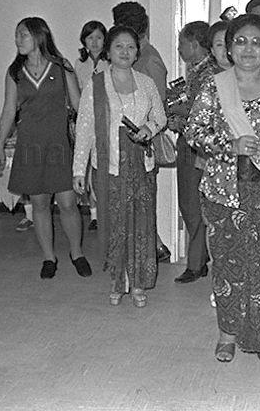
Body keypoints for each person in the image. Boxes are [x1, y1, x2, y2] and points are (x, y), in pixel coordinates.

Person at [185, 13, 260, 364]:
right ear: (228, 47)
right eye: (240, 41)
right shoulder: (213, 86)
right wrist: (230, 144)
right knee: (227, 267)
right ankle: (227, 334)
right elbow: (194, 133)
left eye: (257, 42)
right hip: (224, 194)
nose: (248, 48)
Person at [73, 25, 167, 307]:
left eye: (130, 47)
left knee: (141, 223)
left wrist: (148, 130)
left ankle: (139, 284)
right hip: (110, 165)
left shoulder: (146, 83)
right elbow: (86, 127)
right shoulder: (96, 84)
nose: (125, 52)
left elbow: (160, 117)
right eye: (119, 47)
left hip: (141, 163)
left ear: (137, 51)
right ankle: (117, 281)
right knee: (115, 224)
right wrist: (79, 169)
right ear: (109, 52)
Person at [0, 17, 90, 279]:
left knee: (68, 202)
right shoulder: (14, 73)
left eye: (22, 35)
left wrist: (91, 139)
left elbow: (79, 106)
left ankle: (77, 252)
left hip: (59, 144)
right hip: (30, 145)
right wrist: (0, 146)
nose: (17, 40)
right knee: (39, 203)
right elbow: (9, 111)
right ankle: (49, 257)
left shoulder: (61, 66)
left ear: (39, 36)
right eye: (16, 35)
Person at [112, 1, 172, 262]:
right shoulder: (132, 56)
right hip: (126, 138)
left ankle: (153, 246)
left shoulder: (149, 59)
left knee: (143, 198)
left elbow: (158, 105)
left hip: (143, 138)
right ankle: (145, 246)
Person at [169, 21, 218, 283]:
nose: (178, 48)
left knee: (192, 205)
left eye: (181, 43)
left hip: (196, 147)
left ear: (194, 44)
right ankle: (200, 257)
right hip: (188, 142)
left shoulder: (208, 73)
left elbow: (204, 113)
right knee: (190, 205)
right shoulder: (194, 71)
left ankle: (197, 263)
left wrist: (178, 114)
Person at [74, 20, 109, 231]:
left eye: (98, 37)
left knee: (100, 167)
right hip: (85, 119)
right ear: (84, 41)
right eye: (90, 38)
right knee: (84, 169)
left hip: (105, 120)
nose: (94, 42)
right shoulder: (80, 63)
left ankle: (101, 213)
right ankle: (93, 214)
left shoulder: (110, 62)